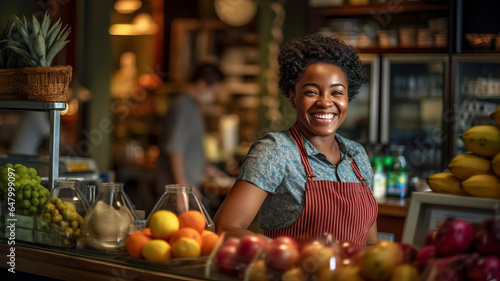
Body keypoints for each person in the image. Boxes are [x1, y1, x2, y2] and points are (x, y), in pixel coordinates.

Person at [213, 34, 378, 247]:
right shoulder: (275, 151)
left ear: (348, 98)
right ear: (293, 97)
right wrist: (288, 253)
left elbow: (371, 243)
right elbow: (225, 228)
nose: (325, 102)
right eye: (311, 92)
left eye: (337, 92)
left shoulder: (357, 156)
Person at [156, 63, 224, 202]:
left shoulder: (193, 107)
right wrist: (181, 189)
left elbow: (188, 148)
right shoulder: (183, 107)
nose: (213, 98)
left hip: (186, 188)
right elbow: (174, 149)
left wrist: (205, 167)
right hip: (177, 193)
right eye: (214, 92)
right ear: (201, 84)